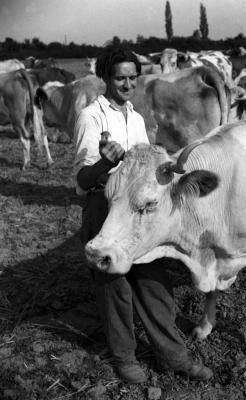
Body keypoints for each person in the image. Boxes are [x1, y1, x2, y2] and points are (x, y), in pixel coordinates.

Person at [73, 46, 213, 384]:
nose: (127, 83)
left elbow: (148, 166)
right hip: (103, 205)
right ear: (106, 77)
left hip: (140, 210)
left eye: (132, 77)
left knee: (154, 281)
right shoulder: (91, 116)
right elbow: (81, 180)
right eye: (120, 77)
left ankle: (174, 355)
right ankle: (125, 358)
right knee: (114, 283)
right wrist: (106, 163)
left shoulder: (136, 118)